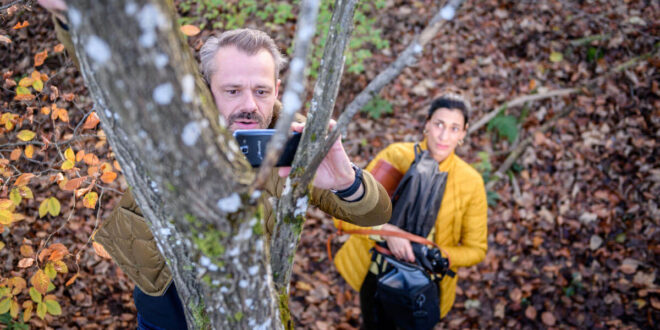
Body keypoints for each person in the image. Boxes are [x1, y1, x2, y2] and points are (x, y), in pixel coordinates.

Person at [38, 2, 392, 329]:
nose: (249, 105)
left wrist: (346, 181)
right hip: (164, 287)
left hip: (239, 299)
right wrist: (74, 17)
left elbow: (375, 213)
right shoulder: (176, 117)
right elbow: (115, 71)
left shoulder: (294, 138)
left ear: (278, 88)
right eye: (233, 90)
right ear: (207, 89)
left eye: (262, 91)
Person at [333, 91, 488, 329]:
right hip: (377, 276)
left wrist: (437, 255)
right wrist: (387, 232)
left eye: (454, 128)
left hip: (425, 285)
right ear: (427, 124)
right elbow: (345, 215)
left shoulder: (470, 181)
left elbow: (476, 249)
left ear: (464, 133)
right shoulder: (397, 157)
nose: (444, 135)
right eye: (438, 124)